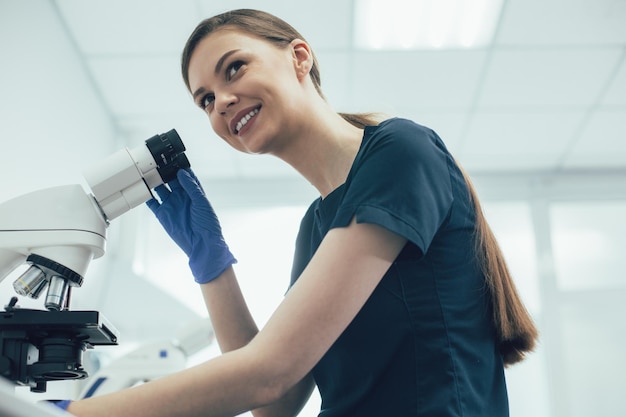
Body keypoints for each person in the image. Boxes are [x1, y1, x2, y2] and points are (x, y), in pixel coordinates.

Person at [59, 8, 538, 417]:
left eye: (235, 69)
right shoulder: (317, 224)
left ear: (299, 58)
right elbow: (278, 403)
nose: (221, 101)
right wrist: (210, 263)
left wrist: (66, 412)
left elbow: (269, 374)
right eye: (205, 100)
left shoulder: (401, 152)